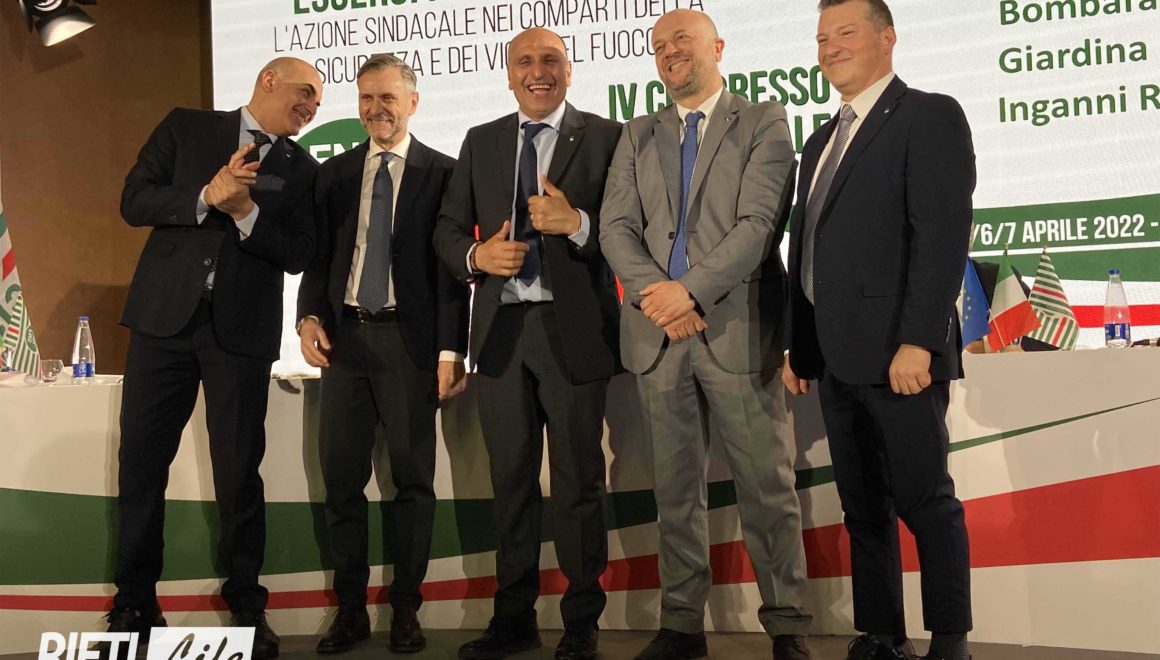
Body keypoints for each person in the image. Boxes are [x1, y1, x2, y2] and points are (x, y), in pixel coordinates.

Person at [600, 9, 812, 660]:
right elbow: (615, 229)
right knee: (675, 492)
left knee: (766, 489)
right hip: (658, 334)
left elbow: (758, 226)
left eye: (682, 40)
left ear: (717, 46)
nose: (669, 52)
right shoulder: (637, 133)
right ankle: (682, 625)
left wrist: (688, 291)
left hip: (737, 330)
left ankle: (787, 626)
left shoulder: (764, 120)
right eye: (659, 45)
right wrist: (663, 299)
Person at [111, 57, 323, 660]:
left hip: (241, 333)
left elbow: (301, 252)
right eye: (305, 92)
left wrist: (245, 212)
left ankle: (247, 605)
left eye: (317, 101)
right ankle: (134, 602)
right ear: (268, 81)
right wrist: (208, 195)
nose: (311, 107)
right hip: (162, 322)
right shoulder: (187, 126)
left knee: (239, 471)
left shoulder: (304, 170)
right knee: (142, 464)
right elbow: (134, 200)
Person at [782, 2, 975, 659]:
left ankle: (949, 641)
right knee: (862, 509)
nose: (830, 47)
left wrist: (919, 340)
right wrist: (799, 344)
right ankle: (881, 635)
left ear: (887, 38)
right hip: (836, 358)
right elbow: (808, 249)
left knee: (926, 502)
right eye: (822, 37)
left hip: (900, 353)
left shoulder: (928, 115)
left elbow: (941, 236)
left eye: (846, 33)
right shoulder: (819, 140)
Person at [433, 27, 622, 660]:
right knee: (510, 484)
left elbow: (632, 229)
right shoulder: (481, 140)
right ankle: (512, 620)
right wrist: (477, 256)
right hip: (501, 334)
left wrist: (578, 224)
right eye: (524, 62)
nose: (537, 72)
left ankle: (582, 623)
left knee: (577, 484)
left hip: (574, 333)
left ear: (569, 70)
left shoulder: (608, 137)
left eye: (550, 60)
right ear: (509, 74)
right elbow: (447, 230)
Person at [295, 54, 467, 655]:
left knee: (413, 482)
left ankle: (406, 611)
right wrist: (308, 317)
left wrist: (451, 349)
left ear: (412, 103)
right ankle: (349, 612)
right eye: (366, 98)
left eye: (387, 98)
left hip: (410, 345)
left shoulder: (444, 174)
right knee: (342, 482)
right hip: (345, 342)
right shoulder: (335, 174)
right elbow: (319, 259)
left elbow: (451, 275)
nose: (376, 109)